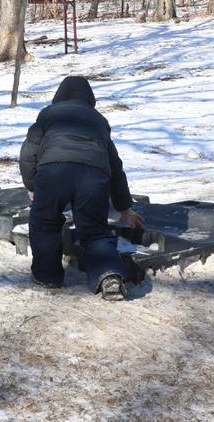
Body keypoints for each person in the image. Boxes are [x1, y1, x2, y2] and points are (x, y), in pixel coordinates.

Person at [19, 76, 144, 301]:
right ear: (89, 99)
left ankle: (48, 275)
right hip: (93, 175)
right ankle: (109, 275)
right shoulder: (99, 121)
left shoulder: (48, 115)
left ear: (58, 96)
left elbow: (28, 153)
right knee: (95, 230)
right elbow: (115, 166)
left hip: (53, 171)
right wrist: (125, 207)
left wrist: (32, 185)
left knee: (45, 222)